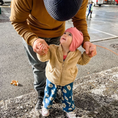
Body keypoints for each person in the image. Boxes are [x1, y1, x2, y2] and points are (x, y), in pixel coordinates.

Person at [10, 0, 97, 112]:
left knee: (56, 64)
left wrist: (86, 41)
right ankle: (42, 93)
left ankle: (54, 91)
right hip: (33, 32)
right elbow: (17, 21)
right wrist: (33, 40)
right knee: (38, 66)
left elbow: (79, 19)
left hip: (58, 34)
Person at [36, 27, 91, 117]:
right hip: (52, 78)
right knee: (49, 93)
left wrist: (88, 55)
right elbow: (43, 58)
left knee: (68, 96)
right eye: (65, 33)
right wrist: (41, 52)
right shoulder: (53, 49)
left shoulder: (76, 54)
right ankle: (46, 106)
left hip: (67, 79)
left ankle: (69, 109)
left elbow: (83, 61)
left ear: (75, 42)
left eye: (70, 35)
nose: (65, 34)